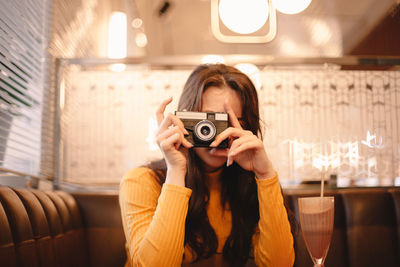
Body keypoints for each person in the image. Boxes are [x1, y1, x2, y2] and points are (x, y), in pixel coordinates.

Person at [119, 64, 295, 267]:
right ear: (184, 120)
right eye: (208, 123)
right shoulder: (142, 182)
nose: (219, 135)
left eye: (233, 123)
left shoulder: (254, 185)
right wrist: (176, 170)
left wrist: (265, 175)